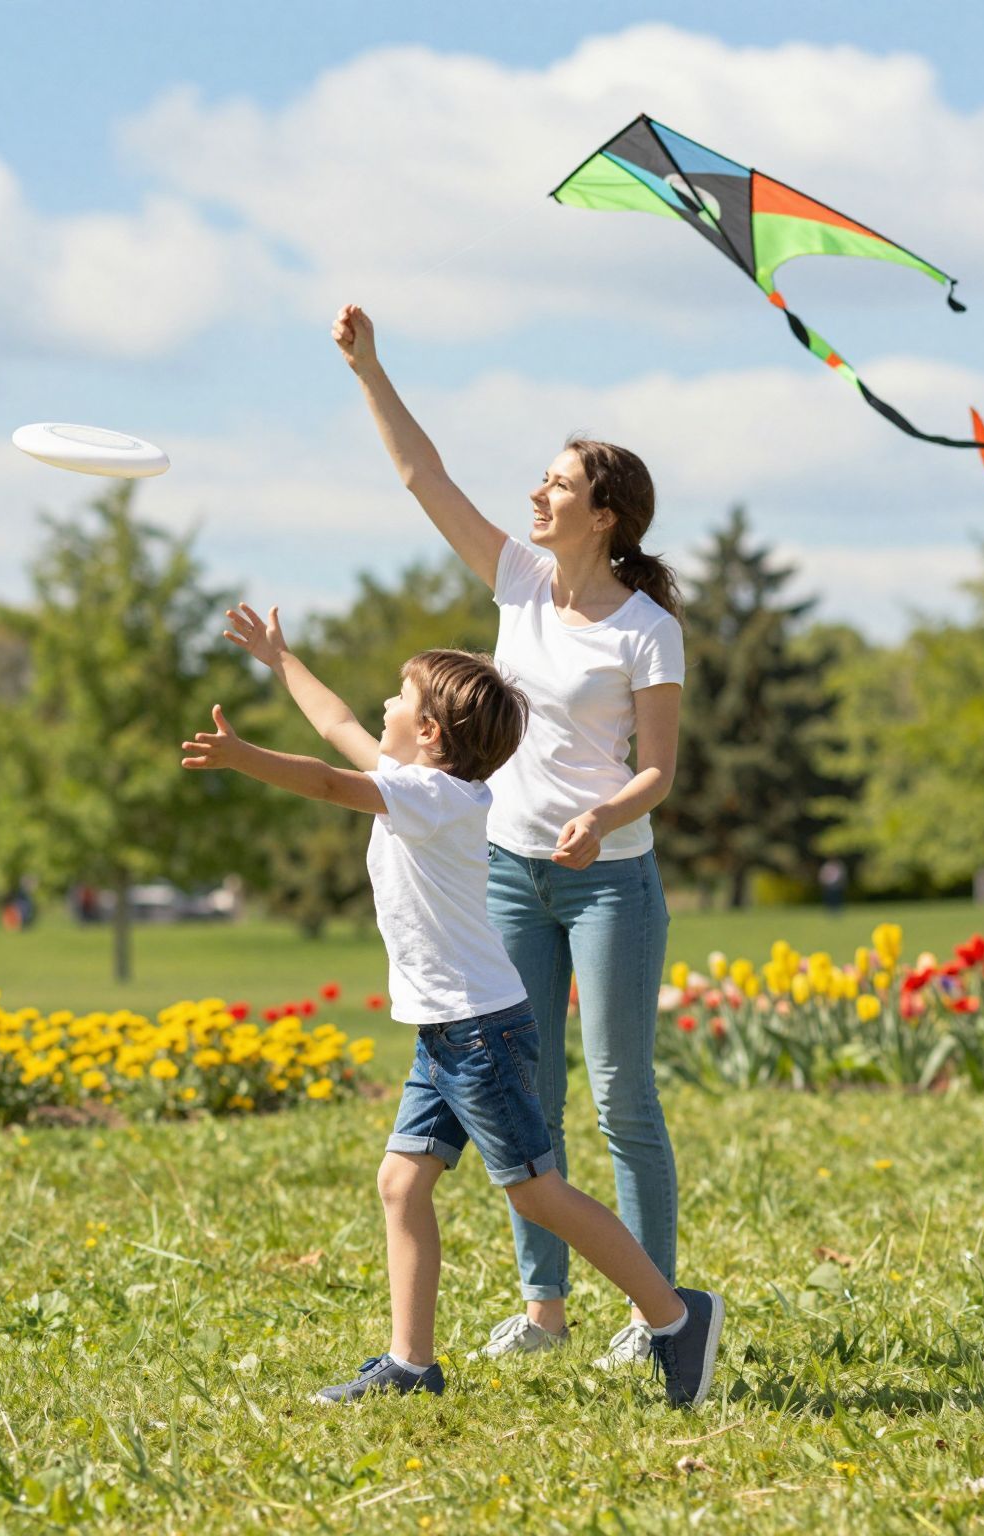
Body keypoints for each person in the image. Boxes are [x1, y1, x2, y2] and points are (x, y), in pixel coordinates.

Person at [181, 602, 724, 1407]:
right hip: (448, 1031)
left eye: (399, 701)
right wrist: (279, 660)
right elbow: (334, 728)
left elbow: (329, 779)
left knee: (537, 1191)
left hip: (479, 1034)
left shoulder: (434, 800)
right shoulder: (416, 784)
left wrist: (240, 756)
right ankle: (410, 1363)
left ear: (431, 734)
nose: (384, 710)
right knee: (402, 1184)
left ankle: (677, 1317)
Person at [334, 303, 686, 1370]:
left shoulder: (645, 629)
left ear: (606, 517)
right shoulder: (517, 583)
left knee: (621, 1093)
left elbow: (659, 772)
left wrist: (602, 816)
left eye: (558, 485)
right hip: (503, 876)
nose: (537, 494)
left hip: (606, 884)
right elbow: (421, 479)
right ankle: (544, 1310)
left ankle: (654, 1313)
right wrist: (369, 369)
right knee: (524, 1110)